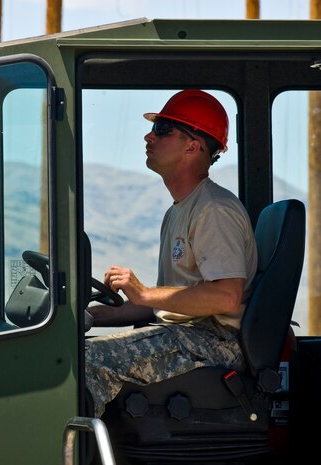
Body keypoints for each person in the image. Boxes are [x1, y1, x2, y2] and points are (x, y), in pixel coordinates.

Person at [85, 89, 258, 418]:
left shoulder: (214, 210)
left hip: (215, 342)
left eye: (163, 130)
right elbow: (166, 307)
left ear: (193, 146)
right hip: (188, 334)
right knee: (70, 352)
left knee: (84, 362)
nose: (149, 136)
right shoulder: (178, 212)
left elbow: (226, 297)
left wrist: (145, 292)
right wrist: (92, 317)